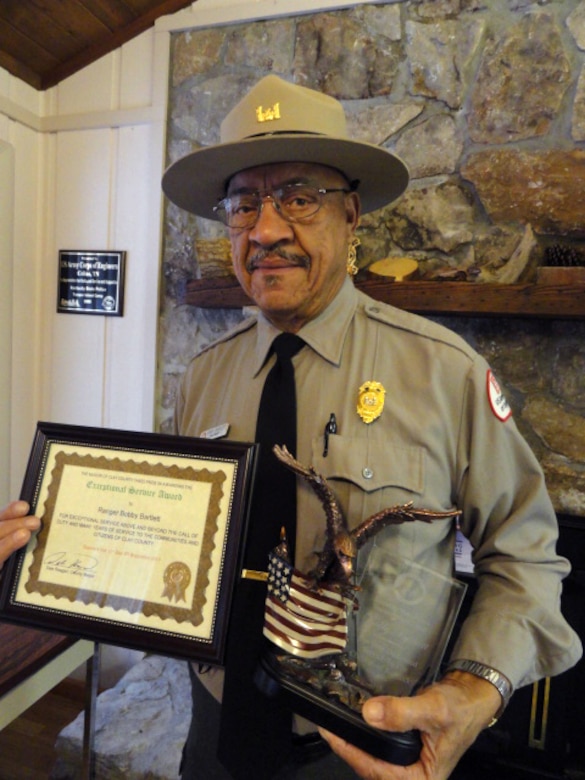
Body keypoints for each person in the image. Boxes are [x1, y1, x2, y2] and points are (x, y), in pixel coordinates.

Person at [1, 75, 580, 780]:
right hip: (213, 726)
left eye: (299, 199)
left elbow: (524, 555)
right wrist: (52, 546)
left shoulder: (443, 372)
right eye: (244, 204)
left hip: (358, 746)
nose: (267, 229)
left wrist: (473, 691)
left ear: (351, 215)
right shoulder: (202, 376)